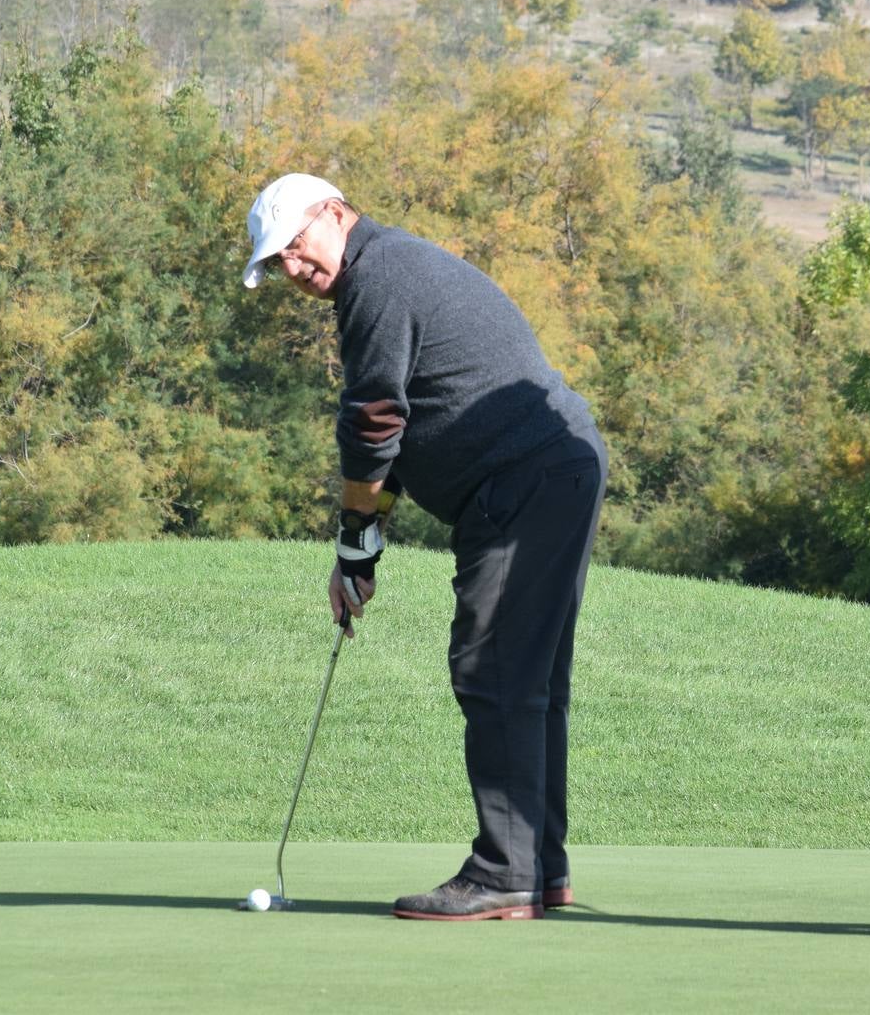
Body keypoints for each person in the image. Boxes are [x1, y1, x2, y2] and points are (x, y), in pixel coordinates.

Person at [242, 172, 607, 921]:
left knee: (494, 669)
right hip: (551, 469)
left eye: (295, 246)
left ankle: (504, 875)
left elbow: (374, 419)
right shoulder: (387, 271)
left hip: (525, 478)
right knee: (528, 682)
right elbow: (409, 427)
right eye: (277, 262)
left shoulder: (378, 277)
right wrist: (364, 546)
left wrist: (351, 538)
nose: (292, 268)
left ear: (334, 214)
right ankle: (538, 866)